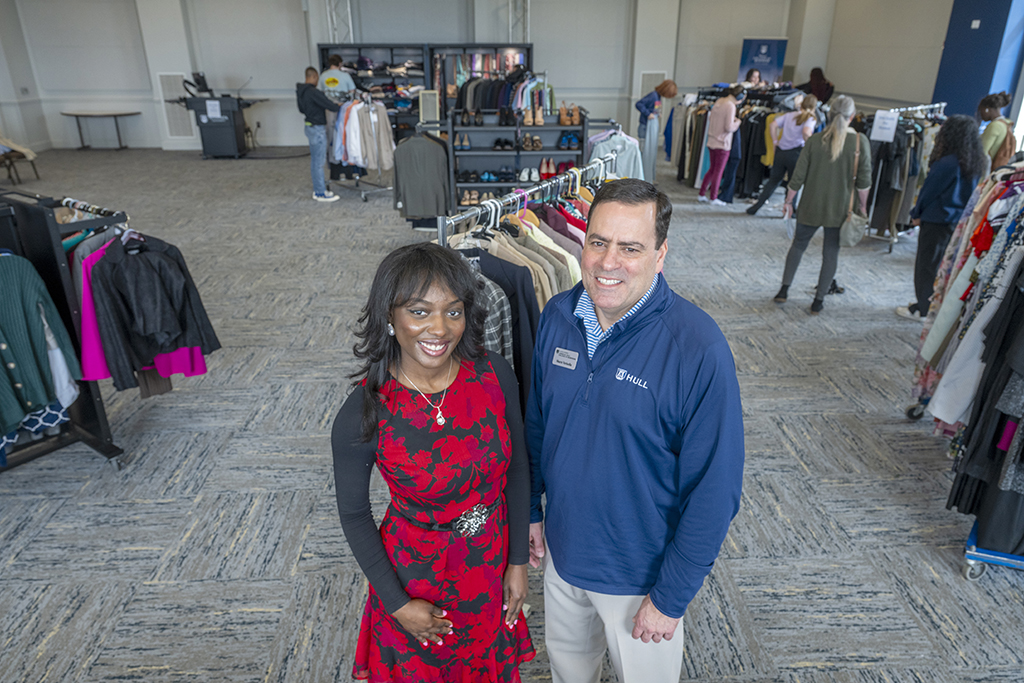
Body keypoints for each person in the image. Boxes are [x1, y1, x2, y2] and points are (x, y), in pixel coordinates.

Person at [525, 178, 745, 683]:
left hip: (640, 576)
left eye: (630, 248)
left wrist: (670, 598)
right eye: (599, 242)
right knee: (567, 674)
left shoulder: (698, 348)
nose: (607, 262)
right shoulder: (558, 315)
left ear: (660, 254)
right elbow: (538, 422)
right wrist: (532, 508)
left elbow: (716, 489)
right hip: (562, 555)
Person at [332, 243, 535, 681]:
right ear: (390, 316)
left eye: (453, 312)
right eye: (420, 312)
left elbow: (517, 470)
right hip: (417, 577)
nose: (440, 329)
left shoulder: (494, 374)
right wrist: (397, 603)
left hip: (489, 563)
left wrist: (517, 562)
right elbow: (353, 513)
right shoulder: (365, 411)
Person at [774, 95, 872, 314]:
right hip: (841, 210)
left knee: (798, 246)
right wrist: (863, 207)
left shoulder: (815, 141)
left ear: (828, 114)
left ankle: (784, 290)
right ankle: (818, 300)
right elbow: (864, 182)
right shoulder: (859, 142)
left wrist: (789, 201)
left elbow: (797, 177)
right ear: (853, 117)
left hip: (811, 205)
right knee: (830, 253)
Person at [895, 115, 986, 321]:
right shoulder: (974, 163)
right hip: (957, 221)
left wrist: (916, 214)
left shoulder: (947, 163)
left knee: (926, 265)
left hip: (937, 219)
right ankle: (931, 303)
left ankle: (923, 308)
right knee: (943, 265)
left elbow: (929, 191)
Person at [747, 94, 818, 215]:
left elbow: (772, 125)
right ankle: (790, 211)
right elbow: (806, 132)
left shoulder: (789, 115)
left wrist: (775, 141)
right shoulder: (810, 118)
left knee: (773, 181)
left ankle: (756, 207)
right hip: (796, 153)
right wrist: (810, 146)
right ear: (814, 107)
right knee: (793, 183)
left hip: (781, 151)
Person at [296, 66, 341, 202]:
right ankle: (320, 192)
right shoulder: (313, 92)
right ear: (314, 77)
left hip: (309, 126)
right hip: (317, 129)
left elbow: (301, 109)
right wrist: (341, 105)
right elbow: (331, 106)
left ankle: (319, 189)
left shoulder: (301, 92)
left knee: (315, 161)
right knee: (318, 162)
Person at [698, 85, 744, 205]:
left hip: (712, 139)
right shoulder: (730, 106)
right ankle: (713, 197)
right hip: (722, 143)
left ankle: (702, 193)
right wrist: (737, 122)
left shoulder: (720, 101)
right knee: (718, 171)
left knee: (712, 169)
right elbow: (729, 127)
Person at [635, 79, 678, 183]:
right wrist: (647, 114)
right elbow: (639, 104)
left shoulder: (657, 97)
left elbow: (653, 107)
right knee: (645, 153)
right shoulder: (653, 96)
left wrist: (656, 113)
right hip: (646, 128)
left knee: (651, 153)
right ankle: (643, 177)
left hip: (651, 127)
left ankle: (649, 176)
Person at [978, 91, 1014, 160]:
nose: (980, 114)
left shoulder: (995, 126)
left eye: (981, 110)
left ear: (986, 109)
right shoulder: (1005, 124)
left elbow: (982, 151)